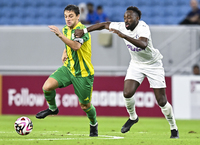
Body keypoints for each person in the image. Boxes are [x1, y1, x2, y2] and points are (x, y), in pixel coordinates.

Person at [75, 6, 179, 138]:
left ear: (137, 18)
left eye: (129, 17)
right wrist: (84, 30)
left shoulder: (143, 27)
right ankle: (133, 117)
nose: (126, 20)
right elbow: (105, 24)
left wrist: (124, 36)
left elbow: (143, 44)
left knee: (161, 101)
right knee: (127, 93)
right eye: (125, 18)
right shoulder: (122, 26)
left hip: (154, 65)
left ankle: (173, 128)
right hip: (136, 64)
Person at [35, 5, 98, 137]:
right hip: (68, 68)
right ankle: (53, 109)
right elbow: (69, 44)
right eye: (65, 16)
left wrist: (59, 35)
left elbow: (75, 46)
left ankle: (93, 124)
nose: (67, 19)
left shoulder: (82, 30)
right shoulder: (66, 29)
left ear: (78, 16)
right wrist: (64, 51)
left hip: (83, 73)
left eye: (71, 16)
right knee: (47, 87)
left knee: (85, 106)